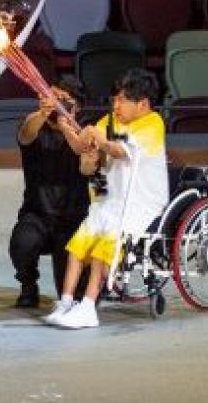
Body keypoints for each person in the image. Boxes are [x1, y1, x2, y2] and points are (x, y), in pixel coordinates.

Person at [46, 68, 170, 330]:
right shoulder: (109, 121)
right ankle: (66, 302)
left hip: (141, 205)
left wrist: (96, 137)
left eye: (123, 100)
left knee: (104, 248)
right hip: (110, 200)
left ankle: (89, 307)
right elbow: (83, 147)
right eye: (115, 99)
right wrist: (66, 127)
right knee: (77, 247)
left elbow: (117, 150)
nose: (116, 105)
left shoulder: (152, 124)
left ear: (143, 104)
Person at [9, 76, 91, 308]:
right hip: (38, 213)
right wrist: (44, 113)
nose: (55, 104)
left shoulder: (86, 128)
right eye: (51, 97)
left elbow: (87, 157)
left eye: (62, 100)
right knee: (22, 244)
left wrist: (67, 125)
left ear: (78, 105)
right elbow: (25, 135)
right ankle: (28, 284)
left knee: (70, 296)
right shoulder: (33, 121)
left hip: (73, 217)